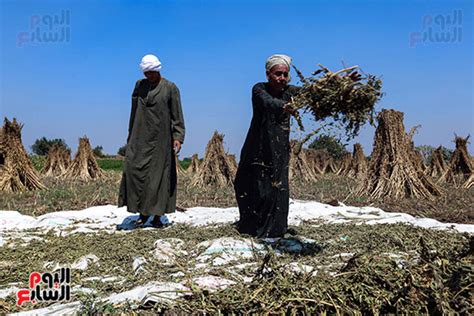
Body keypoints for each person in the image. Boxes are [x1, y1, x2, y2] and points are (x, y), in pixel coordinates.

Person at [234, 54, 299, 238]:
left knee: (277, 188)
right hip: (257, 147)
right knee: (251, 186)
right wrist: (284, 106)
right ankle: (252, 227)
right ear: (268, 74)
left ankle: (276, 229)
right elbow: (267, 102)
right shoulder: (259, 89)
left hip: (278, 150)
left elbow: (314, 93)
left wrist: (339, 85)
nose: (282, 78)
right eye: (278, 74)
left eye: (285, 74)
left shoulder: (290, 91)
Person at [118, 54, 185, 228]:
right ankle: (142, 212)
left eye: (151, 72)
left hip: (162, 139)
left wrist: (178, 137)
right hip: (140, 136)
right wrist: (130, 134)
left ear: (158, 70)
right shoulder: (139, 86)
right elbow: (133, 112)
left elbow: (177, 115)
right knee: (135, 171)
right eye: (146, 73)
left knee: (159, 177)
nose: (149, 76)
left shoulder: (170, 88)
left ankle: (157, 215)